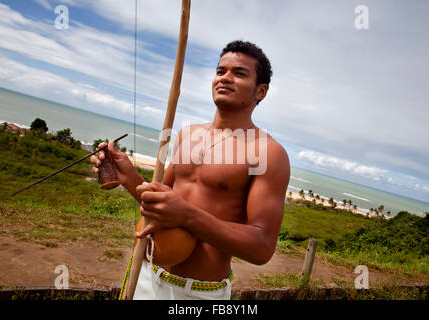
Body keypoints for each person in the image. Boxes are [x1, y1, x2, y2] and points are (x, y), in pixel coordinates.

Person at [91, 40, 290, 300]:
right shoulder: (188, 135)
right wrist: (129, 178)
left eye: (239, 73)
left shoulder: (268, 152)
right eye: (220, 71)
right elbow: (164, 205)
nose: (225, 78)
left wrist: (187, 215)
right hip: (146, 275)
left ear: (260, 91)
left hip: (197, 294)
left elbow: (262, 248)